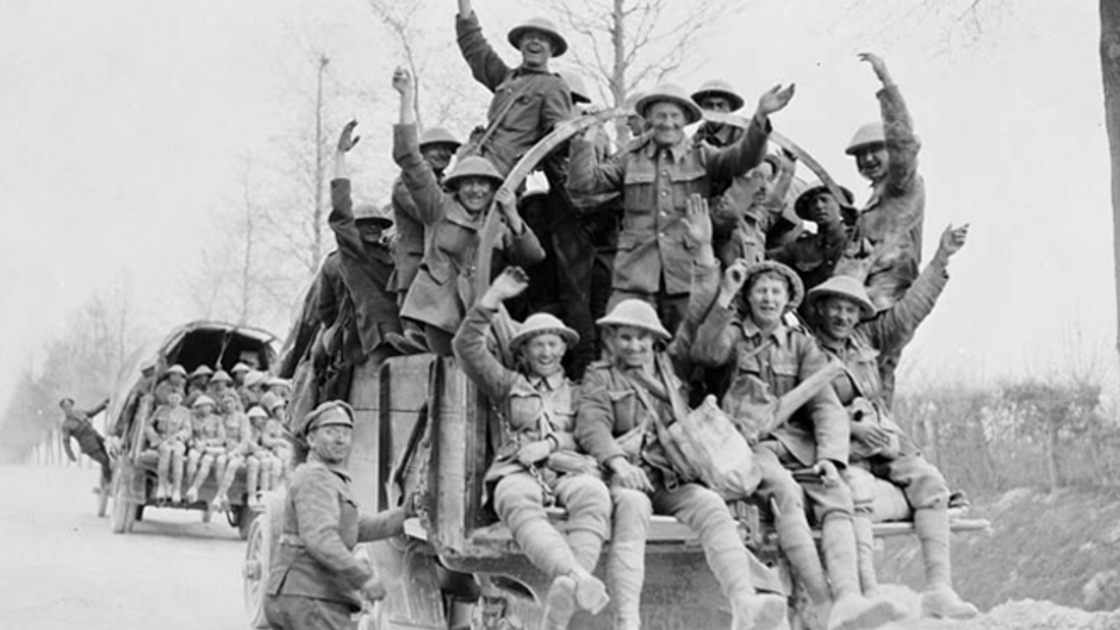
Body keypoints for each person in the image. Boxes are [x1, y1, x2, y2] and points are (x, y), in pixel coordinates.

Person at [689, 260, 904, 630]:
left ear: (788, 300)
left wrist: (831, 459)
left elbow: (825, 406)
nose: (768, 298)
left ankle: (850, 598)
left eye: (776, 291)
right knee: (786, 493)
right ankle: (823, 603)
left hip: (796, 446)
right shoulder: (734, 335)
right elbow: (706, 354)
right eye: (761, 290)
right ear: (749, 296)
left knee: (835, 494)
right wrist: (725, 294)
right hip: (748, 447)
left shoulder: (802, 346)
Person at [576, 294, 789, 630]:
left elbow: (700, 341)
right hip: (627, 476)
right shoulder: (600, 376)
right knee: (632, 507)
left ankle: (744, 602)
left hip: (670, 476)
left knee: (711, 507)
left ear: (655, 341)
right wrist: (618, 464)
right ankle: (627, 621)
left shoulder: (669, 375)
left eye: (642, 337)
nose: (634, 346)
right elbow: (592, 425)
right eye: (625, 337)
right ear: (612, 339)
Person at [805, 224, 977, 620]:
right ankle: (867, 594)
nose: (843, 315)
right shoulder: (806, 349)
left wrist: (940, 259)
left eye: (851, 309)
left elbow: (910, 310)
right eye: (836, 306)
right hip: (840, 449)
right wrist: (850, 428)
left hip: (884, 444)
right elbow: (806, 410)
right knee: (856, 493)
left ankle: (938, 589)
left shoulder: (866, 341)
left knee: (931, 482)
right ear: (820, 308)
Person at [568, 80, 795, 333]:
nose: (668, 122)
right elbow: (584, 184)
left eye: (675, 116)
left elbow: (743, 158)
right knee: (623, 341)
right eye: (660, 115)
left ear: (686, 119)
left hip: (686, 275)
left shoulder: (702, 155)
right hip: (634, 276)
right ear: (649, 119)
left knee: (686, 351)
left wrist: (761, 115)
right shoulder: (630, 157)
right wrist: (586, 138)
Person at [454, 267, 611, 629]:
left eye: (553, 343)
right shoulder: (507, 384)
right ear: (523, 351)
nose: (546, 351)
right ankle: (578, 577)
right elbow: (465, 348)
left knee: (594, 495)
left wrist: (551, 445)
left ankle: (570, 587)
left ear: (564, 348)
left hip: (568, 469)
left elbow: (593, 432)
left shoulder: (580, 390)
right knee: (514, 500)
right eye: (536, 344)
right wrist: (492, 299)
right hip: (518, 471)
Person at [393, 68, 545, 356]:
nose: (476, 190)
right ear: (457, 187)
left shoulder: (495, 220)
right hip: (439, 311)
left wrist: (512, 213)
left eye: (483, 185)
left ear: (493, 189)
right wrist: (406, 97)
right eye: (469, 184)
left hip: (482, 309)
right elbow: (410, 160)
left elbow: (533, 256)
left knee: (516, 351)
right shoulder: (438, 207)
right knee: (469, 356)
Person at [265, 401, 412, 630]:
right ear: (312, 440)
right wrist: (363, 577)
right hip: (311, 595)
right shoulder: (315, 477)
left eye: (345, 433)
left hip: (307, 594)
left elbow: (354, 527)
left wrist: (404, 515)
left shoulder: (328, 478)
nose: (340, 439)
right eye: (331, 432)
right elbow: (321, 539)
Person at [838, 53, 925, 408]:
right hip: (870, 303)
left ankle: (879, 445)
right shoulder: (875, 200)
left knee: (868, 376)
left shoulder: (901, 185)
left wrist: (886, 82)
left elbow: (904, 141)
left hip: (885, 302)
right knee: (874, 378)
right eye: (860, 156)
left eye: (875, 151)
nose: (868, 160)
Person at [455, 0, 572, 177]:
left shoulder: (553, 86)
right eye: (529, 37)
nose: (535, 41)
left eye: (542, 39)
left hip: (505, 174)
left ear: (552, 49)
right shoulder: (506, 78)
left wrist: (563, 126)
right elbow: (475, 48)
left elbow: (556, 135)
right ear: (520, 44)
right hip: (475, 164)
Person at [329, 120, 402, 374]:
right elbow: (341, 210)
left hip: (404, 328)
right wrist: (340, 156)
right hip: (378, 335)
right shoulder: (354, 254)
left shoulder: (390, 252)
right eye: (365, 224)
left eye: (377, 224)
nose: (372, 229)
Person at [387, 126, 462, 354]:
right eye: (436, 149)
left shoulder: (448, 185)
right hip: (415, 256)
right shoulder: (405, 183)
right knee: (411, 309)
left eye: (448, 151)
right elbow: (427, 213)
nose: (442, 154)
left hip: (440, 257)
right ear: (421, 153)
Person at [769, 183, 859, 296]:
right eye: (813, 203)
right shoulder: (801, 247)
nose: (819, 206)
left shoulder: (858, 240)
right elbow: (764, 258)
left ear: (840, 207)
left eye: (824, 200)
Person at [145, 391, 192, 502]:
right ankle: (162, 486)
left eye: (177, 398)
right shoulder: (161, 410)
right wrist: (156, 439)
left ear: (181, 399)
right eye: (172, 397)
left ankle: (176, 489)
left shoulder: (185, 412)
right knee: (165, 452)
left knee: (178, 455)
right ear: (168, 398)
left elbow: (187, 430)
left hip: (177, 441)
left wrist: (177, 437)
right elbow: (148, 425)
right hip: (163, 439)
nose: (174, 400)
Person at [213, 394, 255, 511]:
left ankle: (219, 496)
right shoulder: (221, 418)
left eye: (230, 402)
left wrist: (235, 452)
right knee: (220, 462)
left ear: (236, 404)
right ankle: (223, 495)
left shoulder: (242, 418)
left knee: (232, 465)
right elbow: (220, 437)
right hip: (224, 450)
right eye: (225, 403)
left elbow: (245, 440)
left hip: (238, 451)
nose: (228, 405)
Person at [59, 397, 112, 487]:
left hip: (98, 439)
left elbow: (92, 413)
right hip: (89, 447)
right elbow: (66, 442)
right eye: (65, 407)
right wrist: (71, 455)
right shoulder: (66, 425)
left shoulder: (80, 413)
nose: (68, 409)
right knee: (104, 460)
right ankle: (109, 483)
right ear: (63, 410)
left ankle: (105, 482)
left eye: (69, 406)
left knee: (110, 459)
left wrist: (103, 404)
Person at [184, 395, 226, 504]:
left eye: (207, 407)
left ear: (211, 408)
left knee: (207, 461)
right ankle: (190, 486)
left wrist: (208, 443)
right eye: (201, 407)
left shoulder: (217, 420)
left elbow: (221, 438)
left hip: (210, 448)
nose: (204, 409)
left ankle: (194, 488)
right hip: (196, 446)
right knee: (192, 459)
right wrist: (192, 443)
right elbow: (188, 432)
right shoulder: (191, 417)